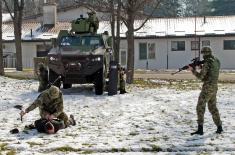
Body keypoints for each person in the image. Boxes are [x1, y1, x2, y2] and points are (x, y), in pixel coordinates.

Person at [188, 46, 223, 135]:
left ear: (205, 53)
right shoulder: (216, 60)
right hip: (214, 87)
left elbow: (201, 77)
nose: (203, 55)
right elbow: (210, 74)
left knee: (200, 107)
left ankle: (200, 129)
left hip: (207, 88)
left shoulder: (207, 62)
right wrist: (201, 67)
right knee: (213, 108)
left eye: (203, 53)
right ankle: (219, 127)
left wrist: (193, 70)